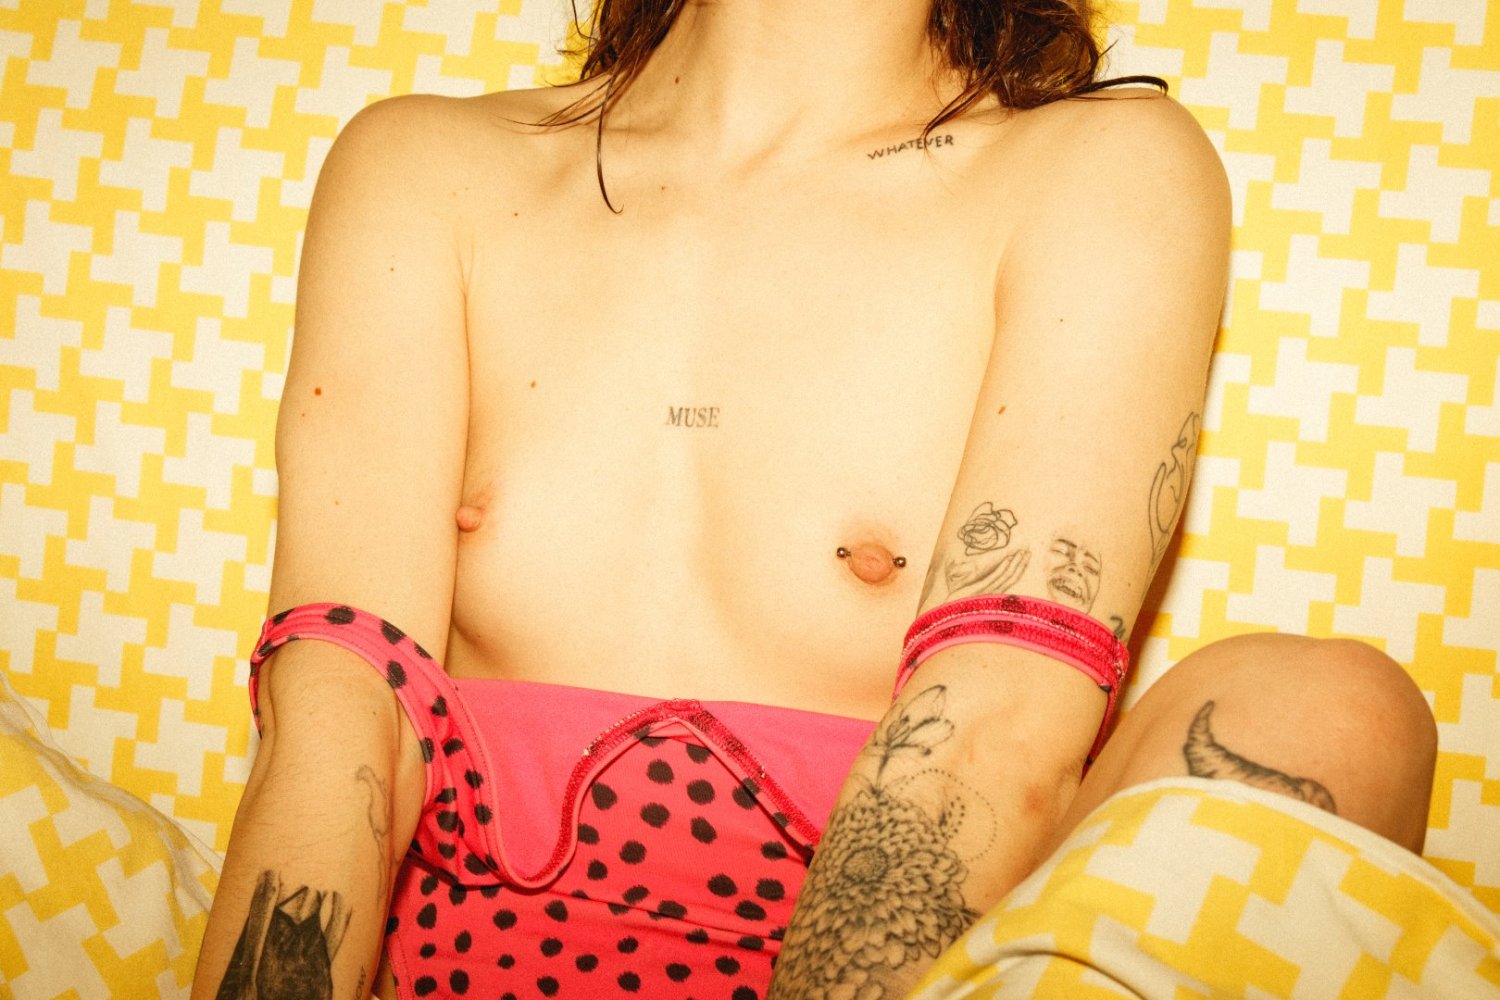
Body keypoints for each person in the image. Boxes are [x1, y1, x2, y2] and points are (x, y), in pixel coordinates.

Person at [192, 0, 1438, 997]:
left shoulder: (1107, 168)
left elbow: (996, 734)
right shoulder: (422, 167)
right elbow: (336, 720)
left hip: (904, 963)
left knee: (1332, 716)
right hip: (468, 963)